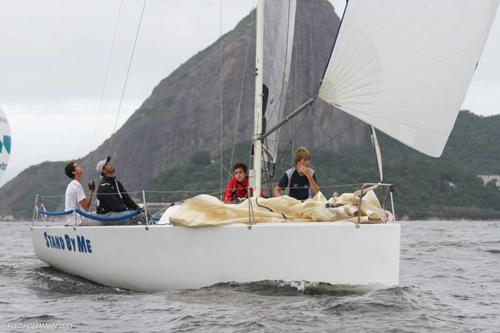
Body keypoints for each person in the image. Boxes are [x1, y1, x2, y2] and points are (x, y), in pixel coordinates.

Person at [95, 156, 145, 223]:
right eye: (107, 164)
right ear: (103, 170)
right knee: (136, 216)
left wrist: (138, 208)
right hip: (106, 216)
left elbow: (127, 200)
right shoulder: (104, 186)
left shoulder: (116, 183)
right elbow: (116, 206)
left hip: (116, 213)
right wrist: (130, 211)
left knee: (142, 213)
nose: (110, 164)